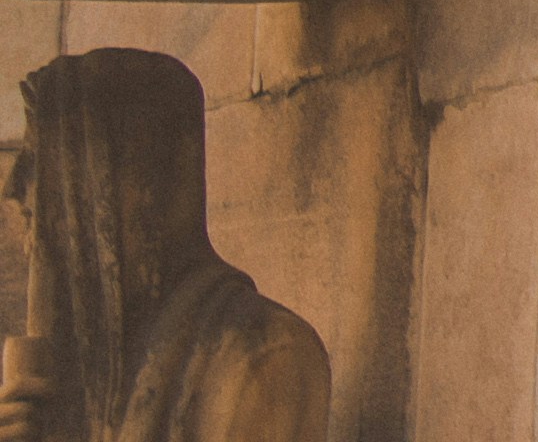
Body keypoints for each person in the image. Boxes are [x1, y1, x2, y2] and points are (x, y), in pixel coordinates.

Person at [0, 54, 325, 442]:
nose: (14, 187)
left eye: (44, 160)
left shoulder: (267, 354)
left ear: (121, 177)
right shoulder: (86, 381)